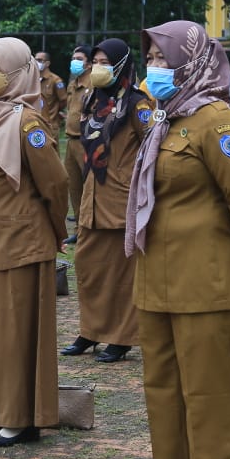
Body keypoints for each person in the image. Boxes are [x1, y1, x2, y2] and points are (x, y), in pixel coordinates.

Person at [124, 20, 230, 459]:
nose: (155, 69)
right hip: (156, 280)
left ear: (192, 61)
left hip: (206, 283)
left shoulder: (217, 122)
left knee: (209, 400)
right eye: (152, 60)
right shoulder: (166, 118)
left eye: (164, 60)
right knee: (163, 395)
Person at [0, 37, 68, 446]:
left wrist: (57, 231)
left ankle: (20, 418)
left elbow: (55, 183)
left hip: (21, 242)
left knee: (16, 334)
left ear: (20, 73)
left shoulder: (27, 123)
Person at [62, 38, 153, 364]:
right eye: (95, 61)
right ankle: (91, 330)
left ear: (120, 64)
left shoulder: (138, 105)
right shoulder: (91, 100)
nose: (97, 67)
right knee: (89, 267)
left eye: (104, 61)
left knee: (122, 274)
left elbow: (152, 150)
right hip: (92, 198)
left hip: (121, 198)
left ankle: (121, 337)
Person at [62, 45, 91, 238]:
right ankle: (79, 229)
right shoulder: (73, 84)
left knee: (89, 185)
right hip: (70, 140)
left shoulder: (93, 84)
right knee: (73, 186)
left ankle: (89, 228)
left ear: (88, 62)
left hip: (86, 141)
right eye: (73, 57)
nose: (75, 61)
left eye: (79, 58)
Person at [36, 50, 67, 128]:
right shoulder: (31, 79)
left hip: (50, 125)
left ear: (47, 63)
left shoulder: (55, 80)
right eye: (35, 60)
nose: (36, 62)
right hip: (34, 124)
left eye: (39, 60)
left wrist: (55, 111)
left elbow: (63, 100)